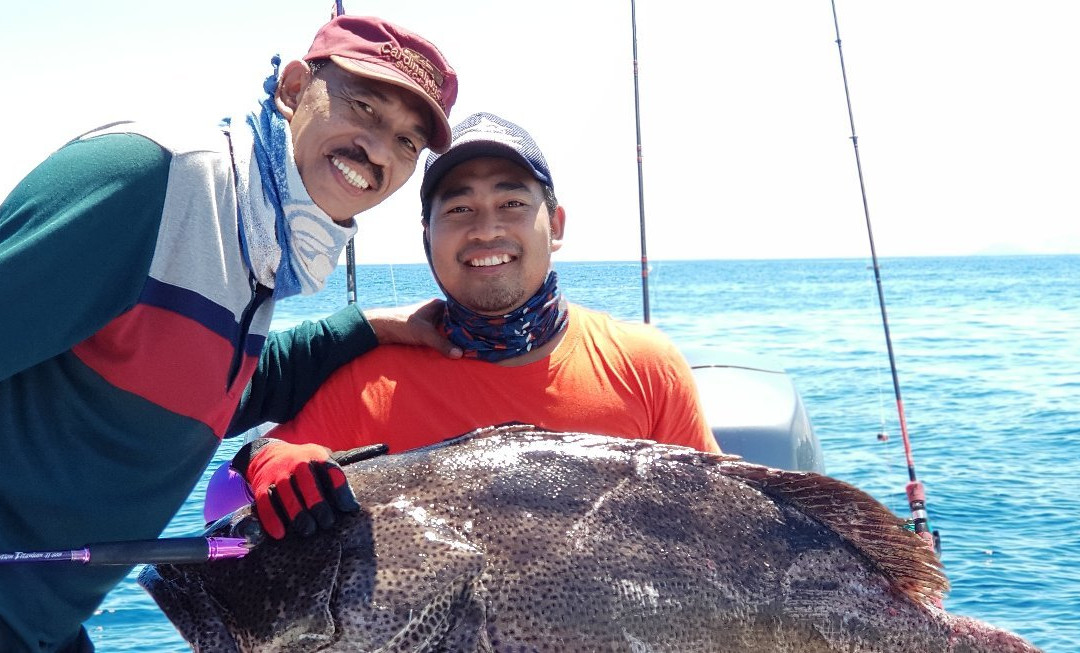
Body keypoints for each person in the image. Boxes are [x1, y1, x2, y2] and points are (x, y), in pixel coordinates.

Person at [0, 15, 459, 653]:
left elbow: (207, 390)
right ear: (295, 88)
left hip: (45, 627)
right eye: (364, 107)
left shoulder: (259, 247)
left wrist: (369, 329)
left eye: (408, 142)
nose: (380, 151)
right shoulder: (154, 178)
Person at [209, 112, 720, 530]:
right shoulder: (370, 380)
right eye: (458, 210)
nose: (487, 229)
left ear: (556, 224)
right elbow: (261, 465)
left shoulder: (647, 365)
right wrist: (263, 462)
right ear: (427, 235)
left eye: (512, 202)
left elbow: (724, 526)